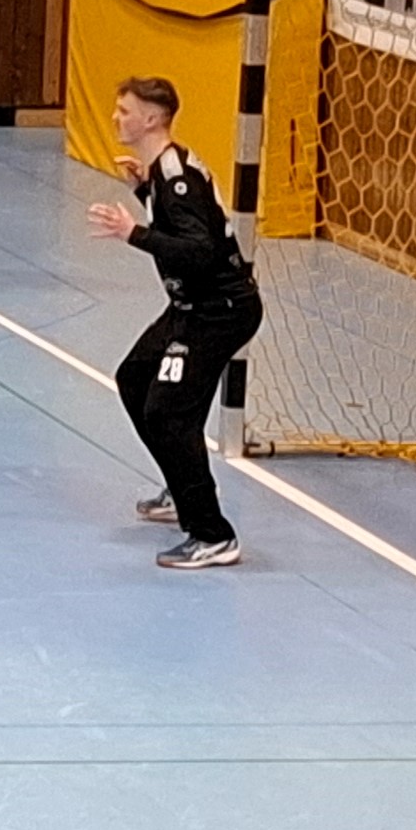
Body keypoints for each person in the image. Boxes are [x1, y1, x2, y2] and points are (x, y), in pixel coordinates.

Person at [88, 76, 263, 571]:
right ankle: (181, 486)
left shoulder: (177, 176)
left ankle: (212, 534)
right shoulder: (163, 172)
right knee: (135, 377)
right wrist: (143, 190)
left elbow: (200, 251)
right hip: (190, 307)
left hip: (217, 312)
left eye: (125, 111)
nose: (116, 118)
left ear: (151, 119)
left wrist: (134, 233)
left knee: (168, 413)